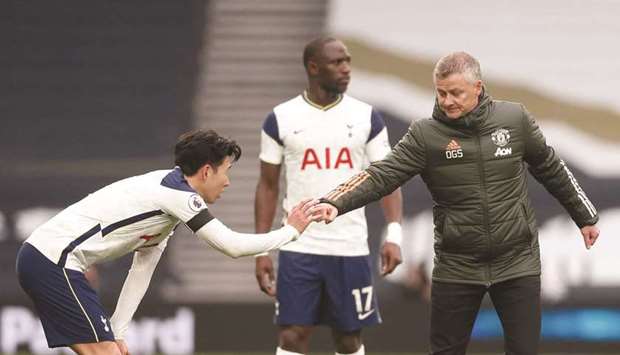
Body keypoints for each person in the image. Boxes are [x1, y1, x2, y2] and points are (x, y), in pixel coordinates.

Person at [314, 52, 600, 355]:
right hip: (457, 265)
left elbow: (551, 167)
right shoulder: (425, 135)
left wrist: (585, 216)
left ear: (478, 87)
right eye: (441, 93)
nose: (447, 100)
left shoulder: (513, 119)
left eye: (455, 93)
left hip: (517, 259)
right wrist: (335, 201)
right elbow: (382, 174)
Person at [16, 129, 319, 355]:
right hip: (53, 260)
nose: (228, 182)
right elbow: (231, 246)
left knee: (111, 351)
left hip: (47, 259)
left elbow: (142, 269)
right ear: (206, 171)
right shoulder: (178, 196)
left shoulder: (168, 202)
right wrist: (291, 231)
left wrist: (119, 331)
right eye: (226, 171)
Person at [254, 36, 404, 355]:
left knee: (348, 339)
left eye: (348, 61)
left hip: (349, 247)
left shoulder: (367, 117)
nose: (346, 69)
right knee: (293, 336)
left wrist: (394, 234)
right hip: (299, 247)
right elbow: (267, 185)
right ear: (313, 67)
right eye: (337, 62)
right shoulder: (280, 118)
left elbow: (388, 178)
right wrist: (262, 249)